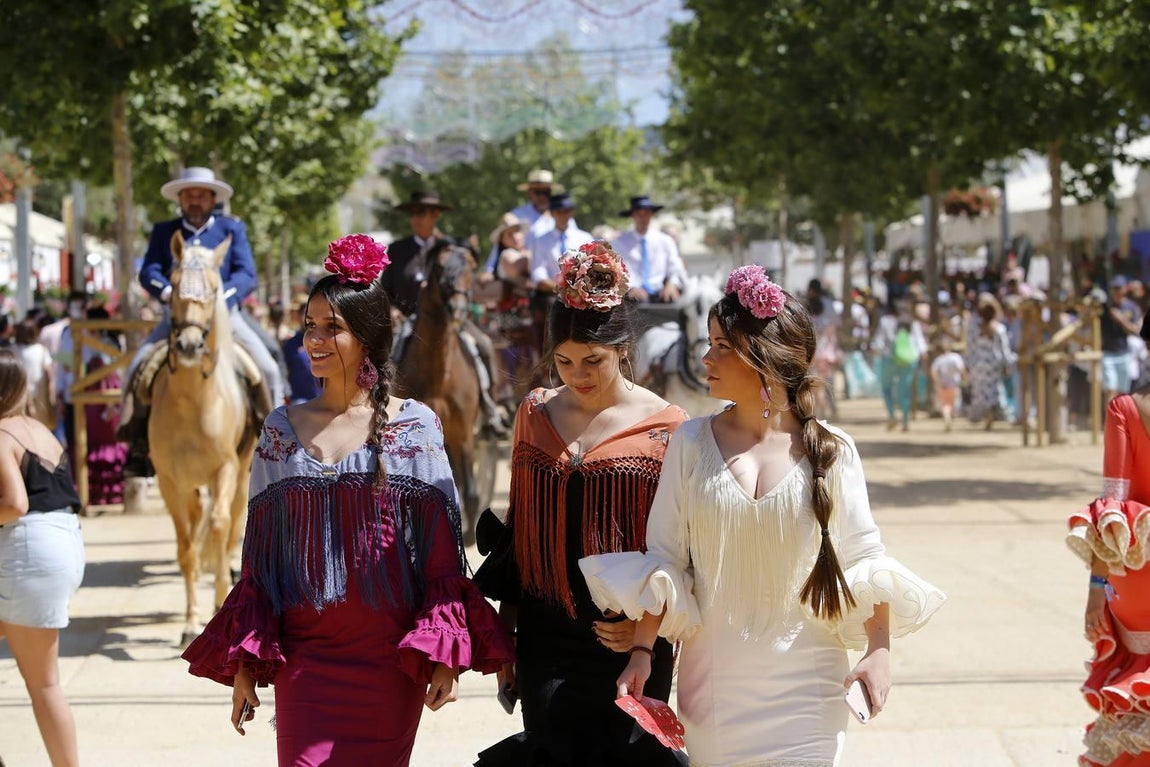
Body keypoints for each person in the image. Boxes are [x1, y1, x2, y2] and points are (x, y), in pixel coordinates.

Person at [579, 265, 946, 767]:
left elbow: (864, 557)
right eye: (708, 343)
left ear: (766, 358)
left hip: (809, 694)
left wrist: (878, 652)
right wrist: (642, 653)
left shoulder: (833, 451)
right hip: (714, 696)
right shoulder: (688, 443)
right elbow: (664, 559)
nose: (705, 357)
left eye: (722, 347)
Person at [181, 234, 513, 767]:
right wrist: (244, 665)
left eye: (331, 328)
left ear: (367, 336)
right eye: (309, 326)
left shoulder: (416, 425)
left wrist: (443, 657)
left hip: (390, 662)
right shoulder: (279, 429)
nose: (313, 339)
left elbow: (440, 555)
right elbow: (260, 560)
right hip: (305, 660)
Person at [473, 241, 689, 767]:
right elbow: (519, 533)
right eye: (563, 361)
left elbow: (675, 551)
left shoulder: (668, 424)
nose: (577, 374)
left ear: (622, 348)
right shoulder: (534, 412)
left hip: (630, 642)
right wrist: (508, 631)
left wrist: (643, 637)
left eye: (593, 360)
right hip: (545, 637)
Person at [120, 166, 285, 477]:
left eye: (201, 195)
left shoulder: (231, 229)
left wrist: (222, 300)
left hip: (226, 315)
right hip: (177, 318)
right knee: (137, 367)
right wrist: (168, 291)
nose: (195, 200)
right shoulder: (163, 231)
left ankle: (274, 443)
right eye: (188, 195)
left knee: (269, 367)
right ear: (180, 199)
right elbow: (148, 271)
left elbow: (246, 274)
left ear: (213, 199)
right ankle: (138, 447)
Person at [1068, 315, 1150, 766]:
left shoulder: (1125, 410)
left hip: (1135, 575)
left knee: (1136, 690)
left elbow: (1111, 506)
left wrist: (1097, 588)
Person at [0, 349, 85, 767]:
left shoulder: (1, 435)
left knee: (45, 685)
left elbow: (14, 503)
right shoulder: (41, 429)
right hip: (61, 545)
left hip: (28, 551)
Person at [384, 191, 509, 438]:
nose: (416, 218)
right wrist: (393, 309)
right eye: (413, 213)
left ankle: (489, 408)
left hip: (452, 320)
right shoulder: (398, 250)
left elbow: (465, 276)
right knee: (390, 354)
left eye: (422, 213)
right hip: (409, 320)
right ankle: (383, 407)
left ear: (435, 215)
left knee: (483, 344)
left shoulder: (452, 249)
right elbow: (385, 290)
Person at [479, 168, 566, 283]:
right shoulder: (517, 215)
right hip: (527, 276)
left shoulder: (562, 215)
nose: (542, 196)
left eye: (546, 192)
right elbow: (501, 244)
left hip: (557, 274)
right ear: (529, 192)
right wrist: (489, 270)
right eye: (538, 192)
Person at [612, 196, 687, 304]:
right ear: (633, 215)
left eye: (646, 214)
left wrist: (672, 283)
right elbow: (617, 271)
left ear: (651, 214)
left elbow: (675, 267)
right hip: (631, 296)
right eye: (639, 214)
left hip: (660, 294)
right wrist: (631, 288)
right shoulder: (619, 243)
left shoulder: (665, 241)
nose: (643, 218)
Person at [527, 192, 593, 294]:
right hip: (552, 293)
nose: (563, 215)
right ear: (552, 213)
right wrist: (560, 289)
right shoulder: (541, 241)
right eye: (558, 212)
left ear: (571, 212)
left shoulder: (585, 238)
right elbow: (538, 272)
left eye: (566, 211)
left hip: (582, 293)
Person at [966, 294, 1014, 430]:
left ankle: (987, 418)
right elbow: (1005, 350)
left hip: (979, 365)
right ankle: (990, 417)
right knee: (993, 391)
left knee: (981, 392)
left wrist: (969, 363)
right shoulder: (999, 329)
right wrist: (1008, 364)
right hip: (993, 365)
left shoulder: (975, 329)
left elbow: (970, 347)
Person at [15, 317, 56, 431]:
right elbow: (49, 374)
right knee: (41, 428)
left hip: (21, 394)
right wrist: (52, 395)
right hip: (40, 394)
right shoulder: (41, 350)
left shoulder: (15, 350)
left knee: (24, 428)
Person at [930, 336, 966, 432]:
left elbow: (933, 372)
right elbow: (961, 369)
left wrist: (937, 382)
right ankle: (951, 416)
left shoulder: (938, 360)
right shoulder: (956, 357)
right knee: (954, 403)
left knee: (945, 405)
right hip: (954, 385)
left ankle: (947, 417)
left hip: (943, 386)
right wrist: (965, 378)